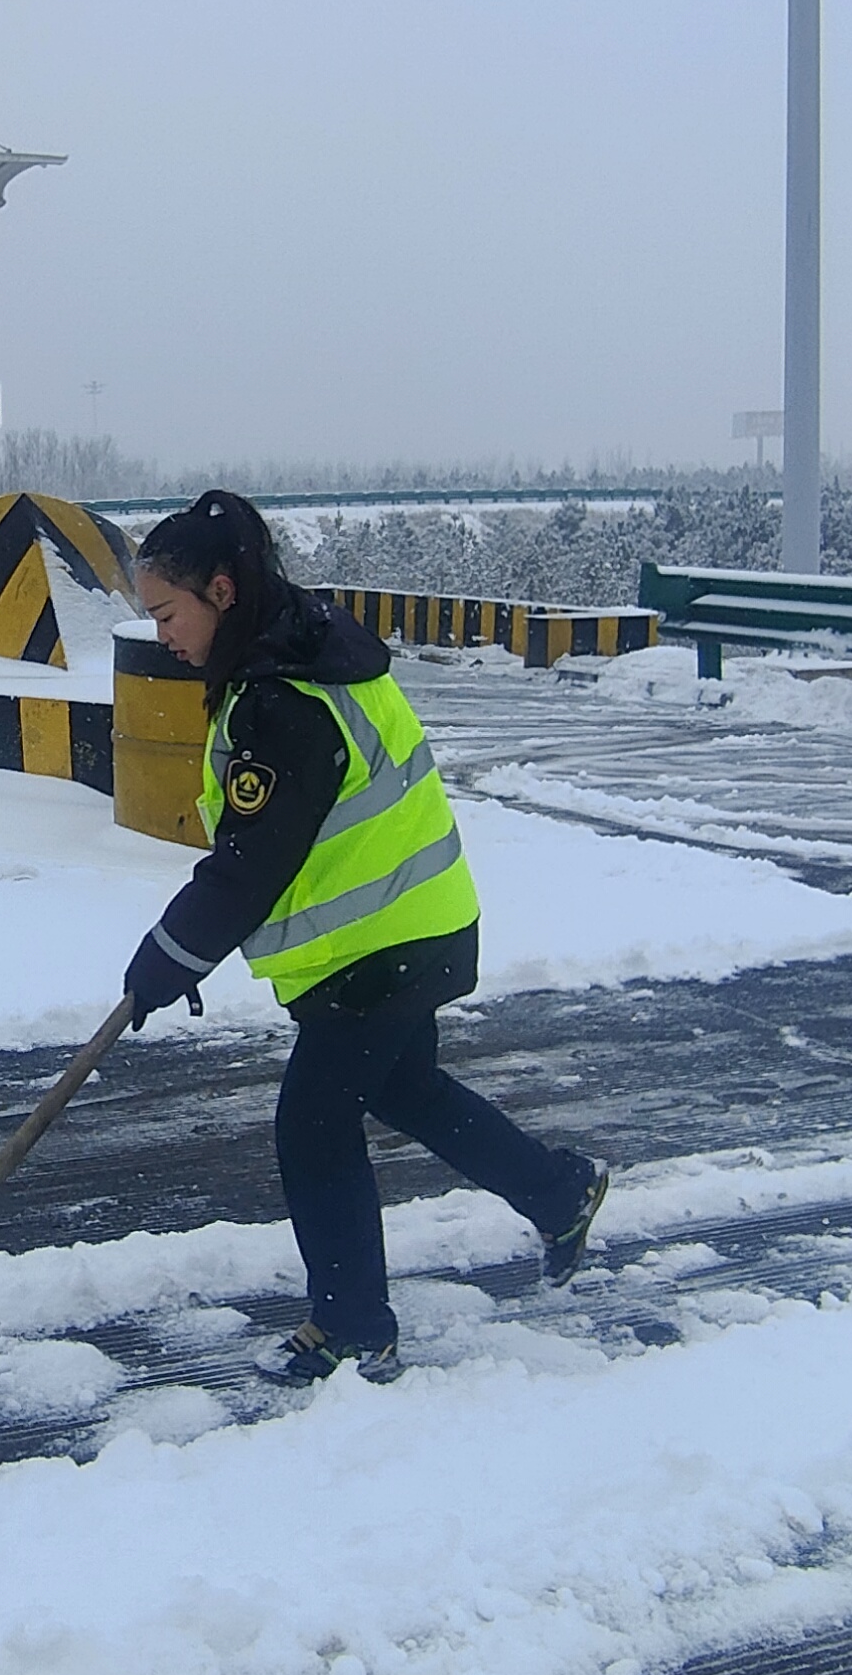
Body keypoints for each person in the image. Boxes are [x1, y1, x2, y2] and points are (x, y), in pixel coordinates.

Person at [118, 490, 608, 1385]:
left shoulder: (285, 700)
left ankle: (353, 1326)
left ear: (222, 592)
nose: (162, 636)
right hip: (407, 927)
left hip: (383, 947)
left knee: (313, 1125)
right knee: (406, 1089)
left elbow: (251, 860)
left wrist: (167, 959)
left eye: (167, 613)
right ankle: (558, 1191)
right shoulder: (303, 651)